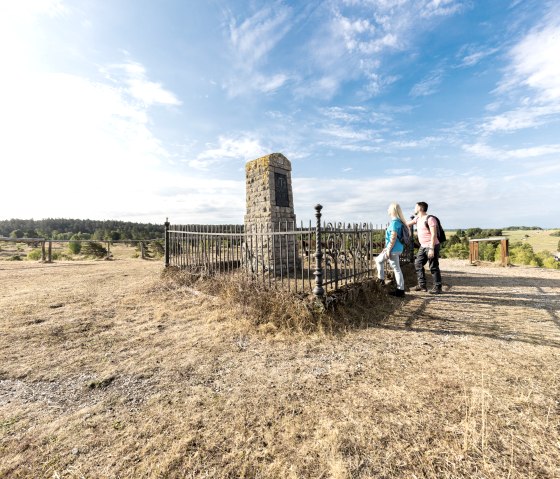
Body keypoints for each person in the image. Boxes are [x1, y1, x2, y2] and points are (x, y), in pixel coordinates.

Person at [375, 202, 410, 297]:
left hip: (393, 249)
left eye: (388, 208)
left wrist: (388, 250)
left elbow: (393, 237)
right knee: (394, 267)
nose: (387, 210)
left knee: (392, 267)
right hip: (398, 248)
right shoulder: (400, 222)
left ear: (392, 210)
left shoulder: (394, 223)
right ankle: (398, 288)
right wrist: (386, 248)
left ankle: (397, 289)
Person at [408, 201, 442, 294]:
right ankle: (422, 285)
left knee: (433, 266)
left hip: (432, 245)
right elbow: (408, 224)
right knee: (418, 263)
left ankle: (437, 287)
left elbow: (434, 234)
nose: (414, 209)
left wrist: (431, 248)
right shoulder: (418, 218)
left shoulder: (430, 219)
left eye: (415, 207)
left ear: (420, 208)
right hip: (423, 246)